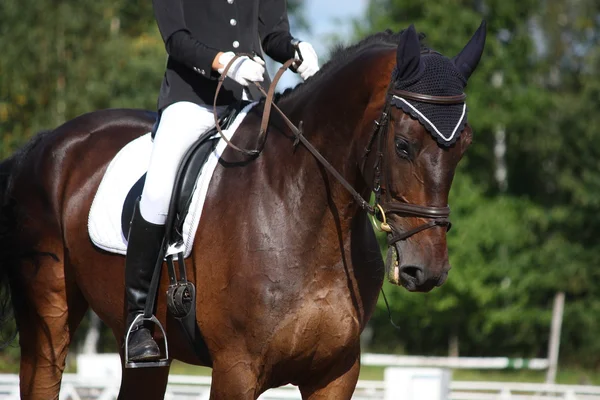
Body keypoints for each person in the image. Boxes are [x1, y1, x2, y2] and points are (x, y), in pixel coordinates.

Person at [124, 0, 320, 364]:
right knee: (159, 190)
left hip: (251, 101)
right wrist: (223, 61)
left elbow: (272, 35)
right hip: (191, 100)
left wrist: (294, 48)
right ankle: (138, 319)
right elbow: (176, 39)